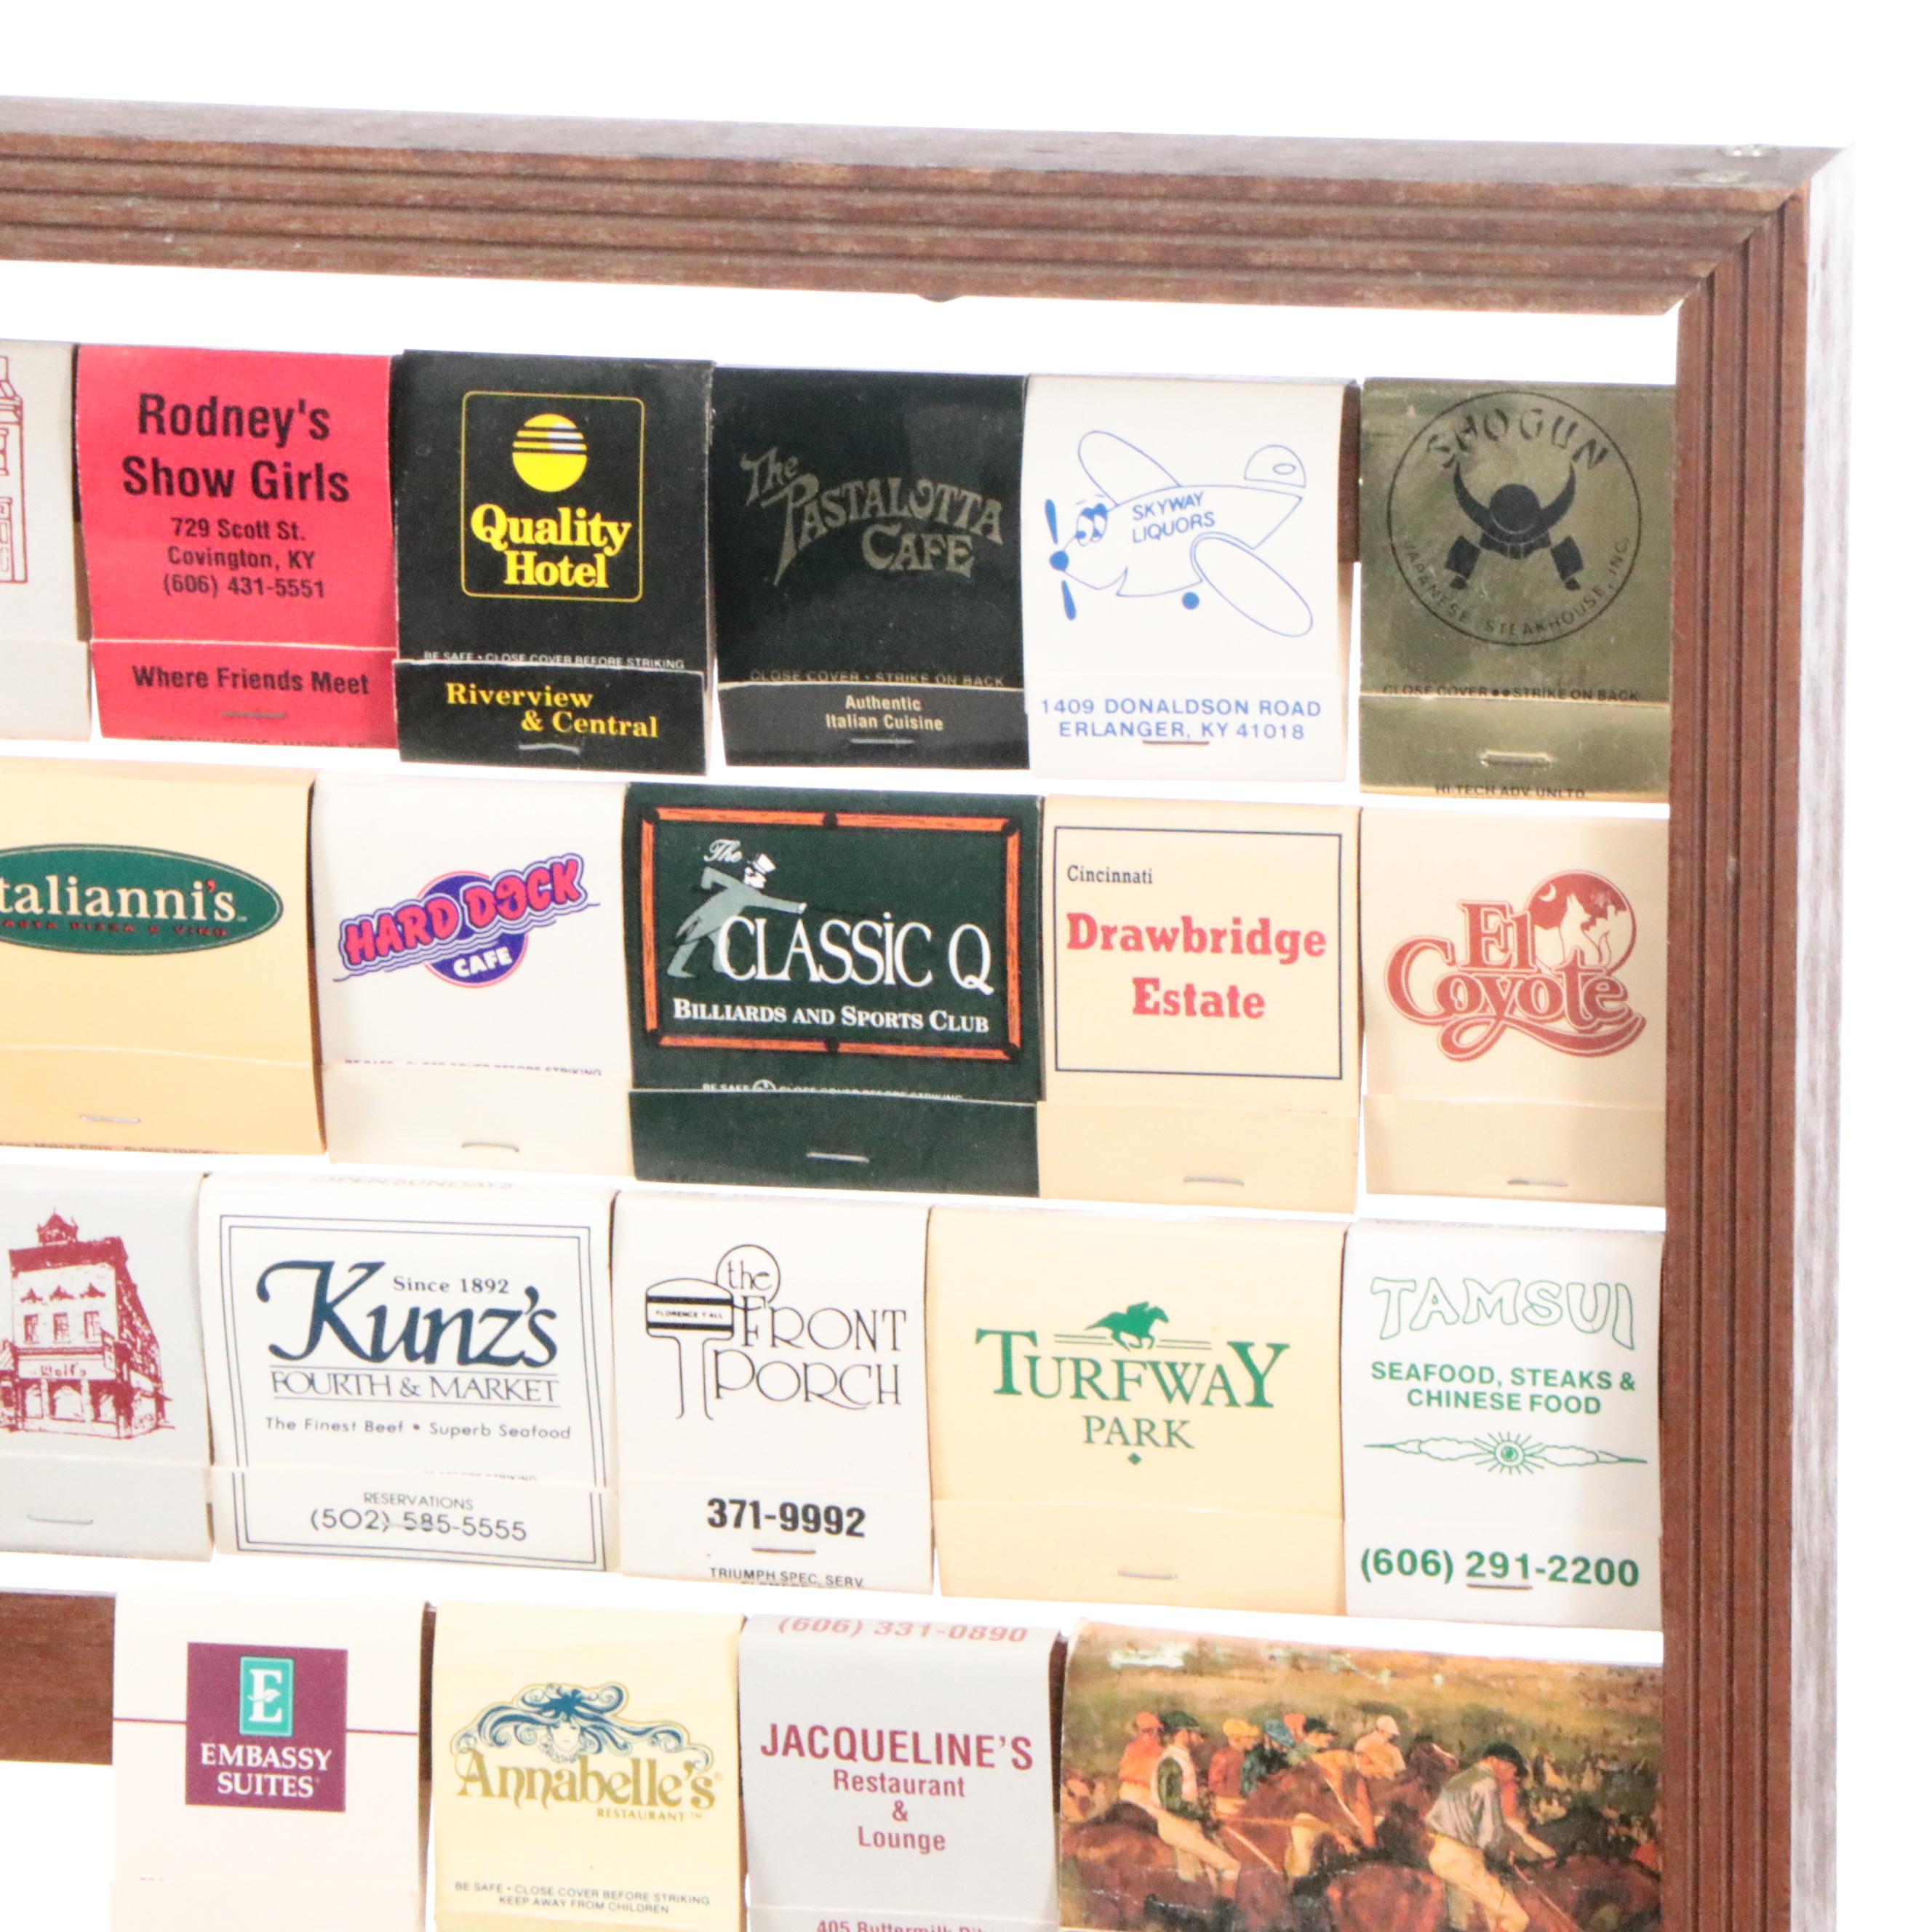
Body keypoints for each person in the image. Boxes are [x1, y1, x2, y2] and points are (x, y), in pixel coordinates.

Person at [1423, 1742, 1557, 1932]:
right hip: (1462, 1862)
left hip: (1442, 1854)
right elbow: (1491, 1837)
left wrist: (1529, 1853)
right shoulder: (1488, 1785)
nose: (1511, 1776)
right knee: (1516, 1918)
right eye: (1511, 1769)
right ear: (1493, 1760)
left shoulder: (1459, 1779)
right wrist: (1507, 1857)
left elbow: (1432, 1820)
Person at [1119, 1710, 1242, 1893]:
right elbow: (1171, 1803)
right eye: (1196, 1734)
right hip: (1176, 1826)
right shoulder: (1171, 1761)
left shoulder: (1181, 1757)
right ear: (1184, 1734)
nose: (1200, 1739)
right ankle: (1225, 1916)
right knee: (1232, 1866)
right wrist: (1204, 1813)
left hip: (1186, 1823)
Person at [666, 850, 805, 978]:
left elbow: (709, 873)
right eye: (762, 877)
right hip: (707, 918)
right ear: (750, 874)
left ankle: (719, 966)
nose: (764, 881)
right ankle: (674, 969)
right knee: (690, 939)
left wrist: (705, 889)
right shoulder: (751, 894)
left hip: (718, 922)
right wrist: (797, 907)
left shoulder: (737, 885)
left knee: (723, 942)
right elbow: (773, 903)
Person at [1208, 1718, 1264, 1817]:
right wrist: (1239, 1796)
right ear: (1238, 1738)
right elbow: (1215, 1785)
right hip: (1227, 1807)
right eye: (1249, 1738)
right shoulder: (1222, 1756)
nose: (1254, 1742)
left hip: (1245, 1805)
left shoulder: (1247, 1757)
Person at [1354, 1714, 1407, 1781]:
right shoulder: (1364, 1743)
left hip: (1390, 1782)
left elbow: (1400, 1770)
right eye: (1389, 1733)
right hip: (1369, 1781)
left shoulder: (1393, 1749)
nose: (1391, 1736)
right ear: (1381, 1730)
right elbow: (1360, 1767)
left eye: (1392, 1733)